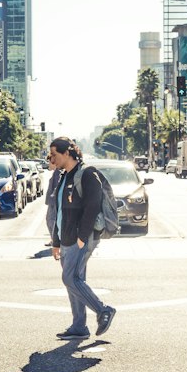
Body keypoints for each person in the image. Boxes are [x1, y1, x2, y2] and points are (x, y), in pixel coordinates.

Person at [48, 136, 115, 340]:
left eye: (54, 154)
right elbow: (58, 211)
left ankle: (104, 310)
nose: (51, 159)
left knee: (70, 278)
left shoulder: (87, 173)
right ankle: (79, 326)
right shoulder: (63, 177)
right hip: (66, 237)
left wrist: (82, 237)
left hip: (81, 237)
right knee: (75, 282)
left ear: (67, 153)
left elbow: (92, 206)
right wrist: (56, 242)